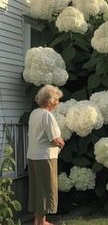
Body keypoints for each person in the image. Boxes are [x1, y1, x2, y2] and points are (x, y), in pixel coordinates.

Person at [27, 85, 65, 225]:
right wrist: (61, 143)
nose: (58, 102)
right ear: (50, 101)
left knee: (37, 189)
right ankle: (42, 223)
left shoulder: (34, 113)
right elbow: (55, 139)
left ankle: (38, 221)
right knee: (46, 189)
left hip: (32, 156)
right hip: (45, 157)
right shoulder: (47, 115)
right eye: (56, 99)